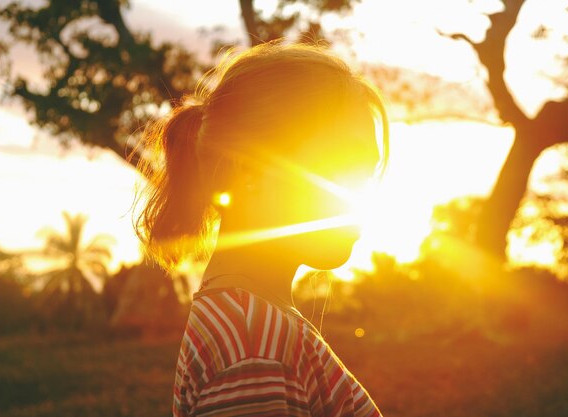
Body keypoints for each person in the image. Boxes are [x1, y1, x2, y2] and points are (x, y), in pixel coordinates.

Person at [135, 41, 389, 416]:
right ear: (246, 169)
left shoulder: (254, 327)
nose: (361, 193)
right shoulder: (254, 350)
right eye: (340, 163)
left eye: (366, 173)